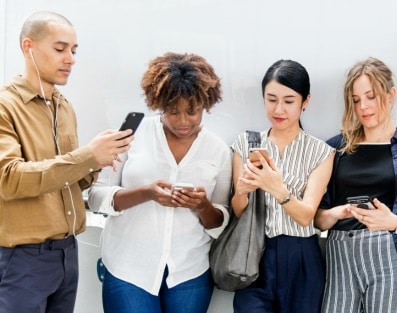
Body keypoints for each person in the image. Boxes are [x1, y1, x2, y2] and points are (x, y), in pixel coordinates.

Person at [0, 11, 134, 313]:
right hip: (21, 259)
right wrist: (86, 156)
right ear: (28, 47)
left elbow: (67, 181)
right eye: (60, 49)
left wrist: (96, 161)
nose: (70, 58)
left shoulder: (63, 106)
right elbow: (8, 179)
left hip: (66, 254)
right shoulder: (5, 106)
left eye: (74, 50)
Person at [87, 52, 232, 313]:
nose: (183, 121)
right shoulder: (131, 137)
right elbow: (97, 197)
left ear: (205, 104)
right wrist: (146, 193)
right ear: (158, 103)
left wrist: (202, 206)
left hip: (189, 273)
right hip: (128, 268)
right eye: (173, 111)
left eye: (193, 111)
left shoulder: (218, 150)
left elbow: (220, 224)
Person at [315, 57, 397, 313]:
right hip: (340, 256)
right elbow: (318, 218)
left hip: (389, 255)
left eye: (371, 96)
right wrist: (338, 213)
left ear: (391, 95)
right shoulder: (333, 148)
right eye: (356, 100)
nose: (363, 107)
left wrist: (394, 222)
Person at [230, 59, 334, 313]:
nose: (279, 109)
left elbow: (306, 215)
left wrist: (276, 188)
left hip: (302, 257)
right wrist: (243, 191)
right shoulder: (246, 143)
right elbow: (238, 211)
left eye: (289, 101)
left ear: (305, 101)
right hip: (254, 252)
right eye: (271, 99)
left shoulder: (321, 152)